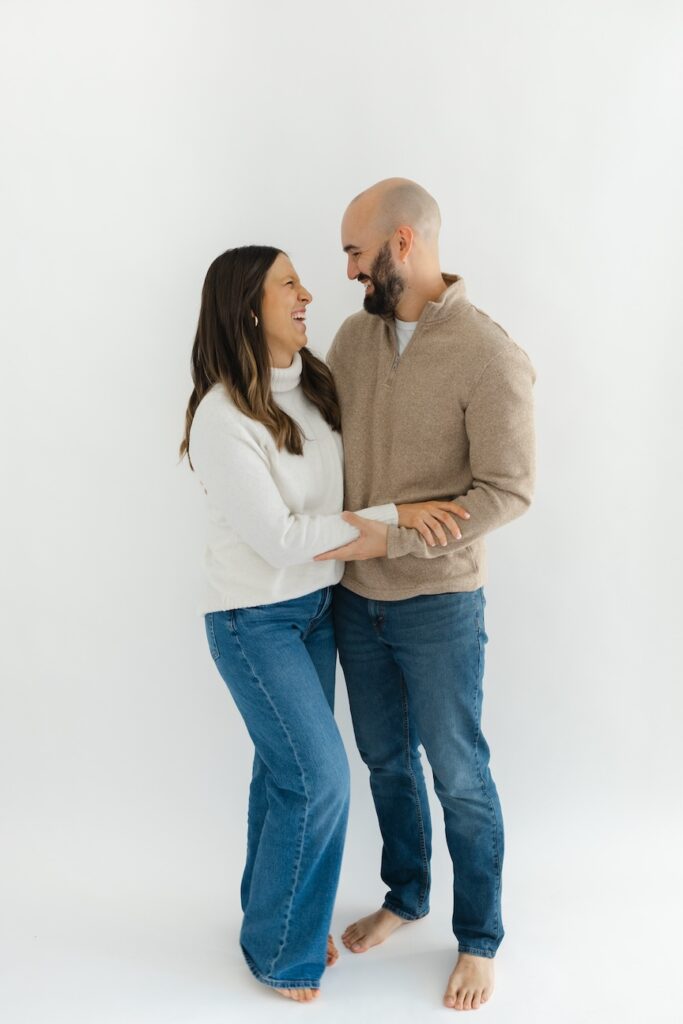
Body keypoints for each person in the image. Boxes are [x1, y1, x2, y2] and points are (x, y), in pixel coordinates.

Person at [179, 245, 468, 1003]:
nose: (309, 293)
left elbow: (330, 504)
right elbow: (279, 537)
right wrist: (393, 519)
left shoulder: (313, 386)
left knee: (285, 776)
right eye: (288, 284)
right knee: (319, 778)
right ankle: (282, 950)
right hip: (254, 620)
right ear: (248, 308)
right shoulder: (222, 415)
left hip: (316, 609)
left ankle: (271, 916)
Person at [315, 179, 536, 1011]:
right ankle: (407, 896)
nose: (345, 269)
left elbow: (508, 490)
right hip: (354, 598)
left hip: (440, 603)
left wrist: (396, 535)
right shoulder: (352, 336)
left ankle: (478, 938)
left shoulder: (487, 352)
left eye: (353, 251)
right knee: (383, 762)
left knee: (458, 773)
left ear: (401, 244)